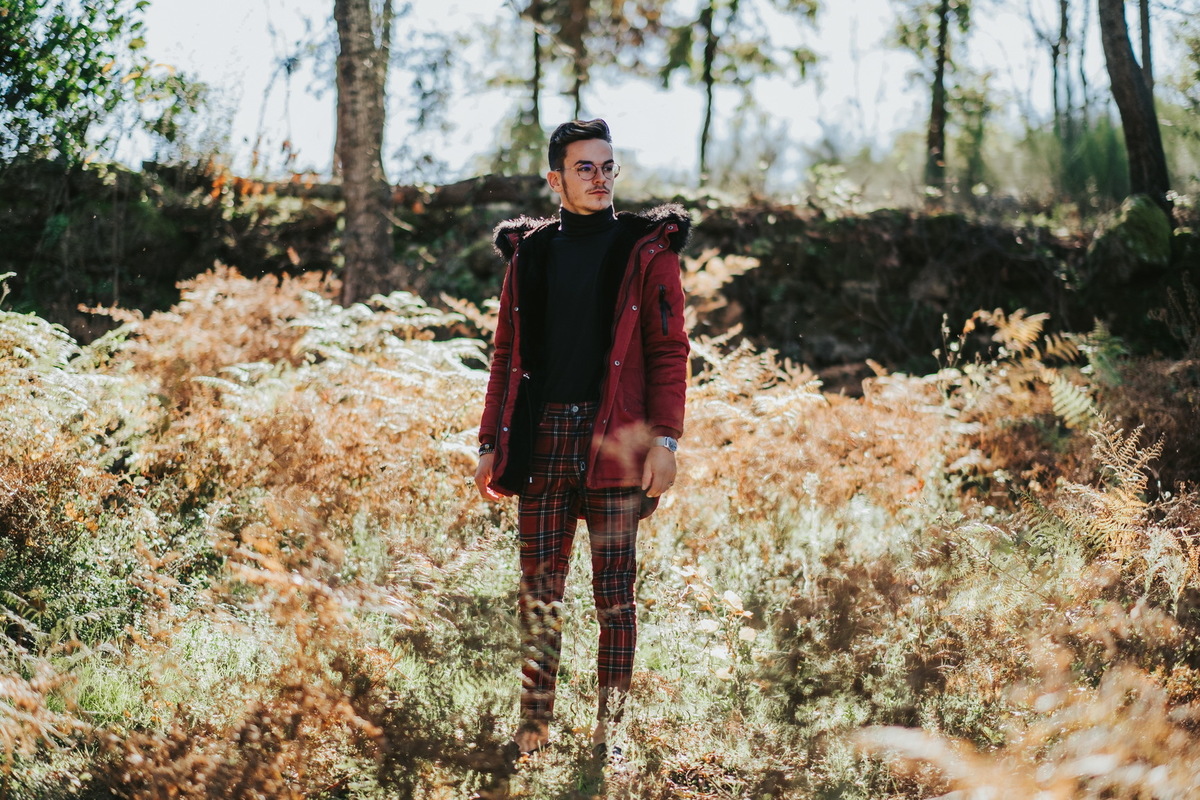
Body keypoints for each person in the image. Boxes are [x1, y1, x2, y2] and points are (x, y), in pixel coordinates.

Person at [473, 118, 690, 761]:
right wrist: (489, 443)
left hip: (617, 438)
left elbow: (668, 350)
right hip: (540, 438)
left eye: (607, 166)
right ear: (556, 179)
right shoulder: (531, 253)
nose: (600, 178)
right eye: (584, 167)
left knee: (614, 596)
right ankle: (534, 724)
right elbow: (505, 355)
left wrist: (666, 441)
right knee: (539, 593)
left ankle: (609, 730)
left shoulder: (647, 250)